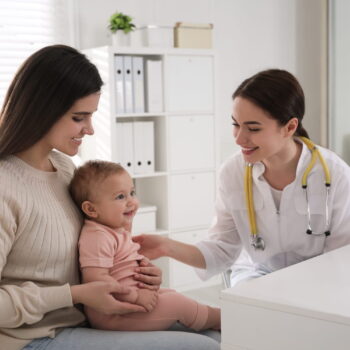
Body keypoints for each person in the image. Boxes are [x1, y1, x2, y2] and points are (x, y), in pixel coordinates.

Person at [0, 45, 220, 350]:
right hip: (29, 339)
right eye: (79, 117)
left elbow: (90, 251)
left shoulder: (64, 168)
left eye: (91, 117)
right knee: (206, 347)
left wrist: (135, 272)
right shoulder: (5, 187)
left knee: (216, 335)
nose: (89, 130)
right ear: (43, 109)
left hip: (84, 320)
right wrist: (75, 295)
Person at [133, 68, 350, 288]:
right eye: (235, 124)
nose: (239, 139)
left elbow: (340, 258)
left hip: (317, 282)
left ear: (290, 127)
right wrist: (166, 247)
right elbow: (221, 250)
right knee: (246, 312)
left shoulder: (334, 174)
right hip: (257, 276)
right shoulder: (233, 172)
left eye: (253, 128)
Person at [69, 160, 221, 332]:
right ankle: (220, 319)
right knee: (178, 304)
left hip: (130, 301)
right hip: (115, 314)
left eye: (132, 193)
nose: (131, 201)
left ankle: (211, 321)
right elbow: (96, 279)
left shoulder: (114, 230)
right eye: (120, 196)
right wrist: (135, 296)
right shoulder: (97, 237)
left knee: (172, 294)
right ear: (91, 209)